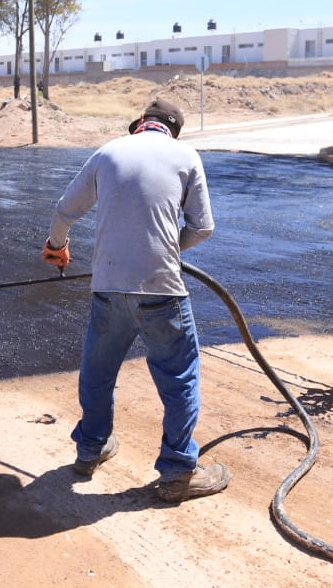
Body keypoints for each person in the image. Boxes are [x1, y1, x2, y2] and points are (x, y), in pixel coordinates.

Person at [41, 98, 226, 503]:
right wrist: (167, 249)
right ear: (173, 130)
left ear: (141, 122)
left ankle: (90, 450)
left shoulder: (108, 151)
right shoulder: (185, 155)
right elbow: (204, 227)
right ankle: (177, 472)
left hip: (108, 286)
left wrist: (57, 247)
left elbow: (64, 211)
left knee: (98, 371)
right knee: (178, 380)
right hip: (161, 288)